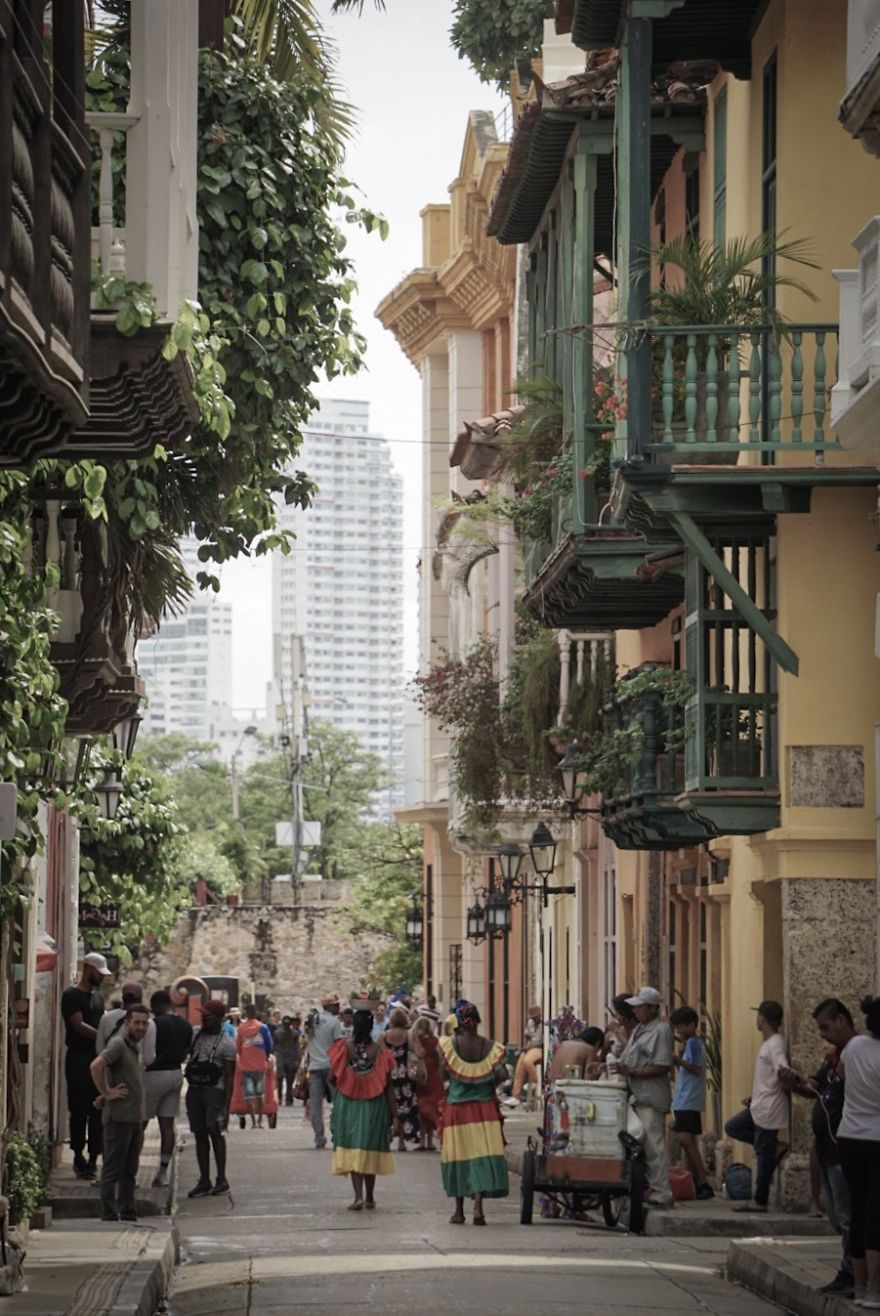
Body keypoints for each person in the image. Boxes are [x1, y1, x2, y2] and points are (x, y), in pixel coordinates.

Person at [779, 997, 856, 1298]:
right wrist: (794, 1082)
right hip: (826, 1148)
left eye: (825, 1027)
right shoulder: (833, 1056)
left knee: (848, 1216)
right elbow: (814, 1087)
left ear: (841, 1020)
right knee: (838, 1216)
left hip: (844, 1147)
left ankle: (851, 1273)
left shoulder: (857, 1053)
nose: (822, 1034)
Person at [438, 1000, 508, 1225]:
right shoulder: (491, 1047)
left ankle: (459, 1211)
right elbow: (503, 1075)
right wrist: (488, 1085)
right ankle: (478, 1207)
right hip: (484, 1109)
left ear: (459, 1022)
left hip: (457, 1109)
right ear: (477, 1021)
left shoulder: (449, 1045)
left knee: (459, 1156)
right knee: (481, 1155)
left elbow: (442, 1075)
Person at [328, 997, 399, 1210]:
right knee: (370, 1146)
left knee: (352, 1147)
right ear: (371, 1027)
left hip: (349, 1104)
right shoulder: (380, 1052)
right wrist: (395, 1115)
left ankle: (357, 1196)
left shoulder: (344, 1048)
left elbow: (332, 1077)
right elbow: (388, 1085)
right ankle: (370, 1196)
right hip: (374, 1106)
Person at [724, 1000, 790, 1214]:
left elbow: (782, 1068)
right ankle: (774, 1148)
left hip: (769, 1107)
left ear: (763, 1018)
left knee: (763, 1155)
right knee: (734, 1127)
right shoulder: (768, 1043)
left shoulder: (776, 1043)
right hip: (760, 1105)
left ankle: (760, 1200)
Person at [837, 994, 880, 1308]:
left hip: (849, 1136)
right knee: (876, 1214)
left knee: (857, 1210)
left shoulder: (854, 1047)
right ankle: (877, 1291)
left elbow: (840, 1073)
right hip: (877, 1139)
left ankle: (861, 1285)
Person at [90, 1003, 150, 1222]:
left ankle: (127, 1210)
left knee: (130, 1171)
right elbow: (96, 1066)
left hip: (135, 1118)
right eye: (137, 1022)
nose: (141, 1027)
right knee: (113, 1169)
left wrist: (104, 1093)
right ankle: (108, 1212)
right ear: (127, 1023)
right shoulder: (118, 1044)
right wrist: (106, 1092)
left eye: (144, 1023)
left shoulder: (134, 1047)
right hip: (120, 1118)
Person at [618, 987, 674, 1209]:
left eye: (639, 1007)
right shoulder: (639, 1030)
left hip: (651, 1096)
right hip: (636, 1096)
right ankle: (647, 1186)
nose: (636, 1011)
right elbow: (627, 1058)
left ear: (651, 1008)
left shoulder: (661, 1031)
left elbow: (662, 1066)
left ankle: (662, 1193)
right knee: (638, 1143)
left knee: (653, 1145)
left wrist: (632, 1073)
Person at [61, 951, 110, 1180]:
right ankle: (78, 1154)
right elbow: (79, 1025)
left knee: (97, 1109)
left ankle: (93, 1157)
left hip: (97, 1058)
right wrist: (103, 1037)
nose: (102, 978)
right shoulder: (71, 995)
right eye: (99, 974)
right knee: (79, 1109)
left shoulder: (98, 998)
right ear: (89, 969)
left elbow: (102, 1022)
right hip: (79, 1059)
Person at [186, 999, 237, 1198]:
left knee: (215, 1133)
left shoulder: (227, 1044)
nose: (203, 1019)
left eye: (207, 1017)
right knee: (199, 1134)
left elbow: (231, 1075)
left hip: (214, 1092)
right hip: (195, 1090)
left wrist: (226, 1106)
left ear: (218, 1019)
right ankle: (204, 1179)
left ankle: (221, 1179)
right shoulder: (196, 1035)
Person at [145, 989, 193, 1187]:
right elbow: (185, 1052)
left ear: (156, 1006)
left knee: (140, 1122)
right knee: (167, 1125)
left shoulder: (153, 1025)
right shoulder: (185, 1025)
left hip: (154, 1074)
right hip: (175, 1074)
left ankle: (129, 1168)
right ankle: (163, 1172)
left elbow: (147, 1053)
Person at [669, 1006, 714, 1200]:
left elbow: (695, 1069)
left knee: (685, 1140)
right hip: (685, 1099)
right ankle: (694, 1182)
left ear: (692, 1025)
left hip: (688, 1099)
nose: (679, 1030)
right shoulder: (689, 1044)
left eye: (682, 1026)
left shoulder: (694, 1044)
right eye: (677, 1027)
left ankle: (703, 1181)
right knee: (688, 1142)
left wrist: (678, 1061)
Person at [306, 994, 344, 1149]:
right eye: (336, 1005)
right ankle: (338, 1135)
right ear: (330, 1006)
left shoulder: (311, 1021)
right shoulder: (334, 1022)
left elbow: (306, 1041)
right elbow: (339, 1046)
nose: (339, 1007)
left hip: (315, 1067)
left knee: (316, 1106)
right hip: (331, 1067)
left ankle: (319, 1138)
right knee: (338, 1104)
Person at [95, 981, 156, 1066]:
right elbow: (148, 1059)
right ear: (141, 999)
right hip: (135, 1074)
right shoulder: (147, 1022)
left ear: (123, 998)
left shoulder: (106, 1018)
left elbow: (99, 1049)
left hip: (109, 1072)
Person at [384, 1006, 420, 1150]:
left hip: (390, 1075)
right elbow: (419, 1053)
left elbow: (379, 1054)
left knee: (391, 1106)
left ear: (392, 1020)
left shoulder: (385, 1035)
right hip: (405, 1076)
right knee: (406, 1107)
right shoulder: (409, 1035)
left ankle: (390, 1132)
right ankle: (402, 1142)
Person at [236, 1004, 274, 1129]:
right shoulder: (263, 1027)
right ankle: (260, 1120)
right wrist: (266, 1056)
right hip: (260, 1065)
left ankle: (253, 1122)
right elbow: (269, 1044)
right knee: (260, 1094)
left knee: (248, 1095)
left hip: (246, 1066)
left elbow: (238, 1047)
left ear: (246, 1014)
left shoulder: (241, 1028)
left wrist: (242, 1058)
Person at [410, 1014, 444, 1151]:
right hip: (434, 1076)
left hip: (422, 1076)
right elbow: (441, 1058)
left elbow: (417, 1055)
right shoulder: (436, 1040)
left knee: (422, 1108)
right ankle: (430, 1140)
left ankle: (423, 1140)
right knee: (432, 1106)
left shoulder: (417, 1040)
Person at [502, 1005, 544, 1109]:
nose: (533, 1019)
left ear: (539, 1016)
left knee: (527, 1060)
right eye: (532, 1017)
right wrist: (526, 1042)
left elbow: (541, 1042)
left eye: (535, 1017)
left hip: (539, 1049)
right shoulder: (530, 1023)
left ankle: (534, 1081)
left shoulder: (544, 1025)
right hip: (530, 1047)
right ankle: (515, 1096)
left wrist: (529, 1046)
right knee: (519, 1068)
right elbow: (527, 1035)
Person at [274, 1016, 301, 1106]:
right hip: (280, 1057)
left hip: (291, 1058)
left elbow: (297, 1046)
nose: (286, 1026)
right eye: (285, 1024)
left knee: (290, 1080)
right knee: (279, 1078)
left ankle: (289, 1098)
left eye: (288, 1024)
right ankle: (279, 1097)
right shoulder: (277, 1033)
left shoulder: (295, 1034)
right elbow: (274, 1046)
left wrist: (297, 1059)